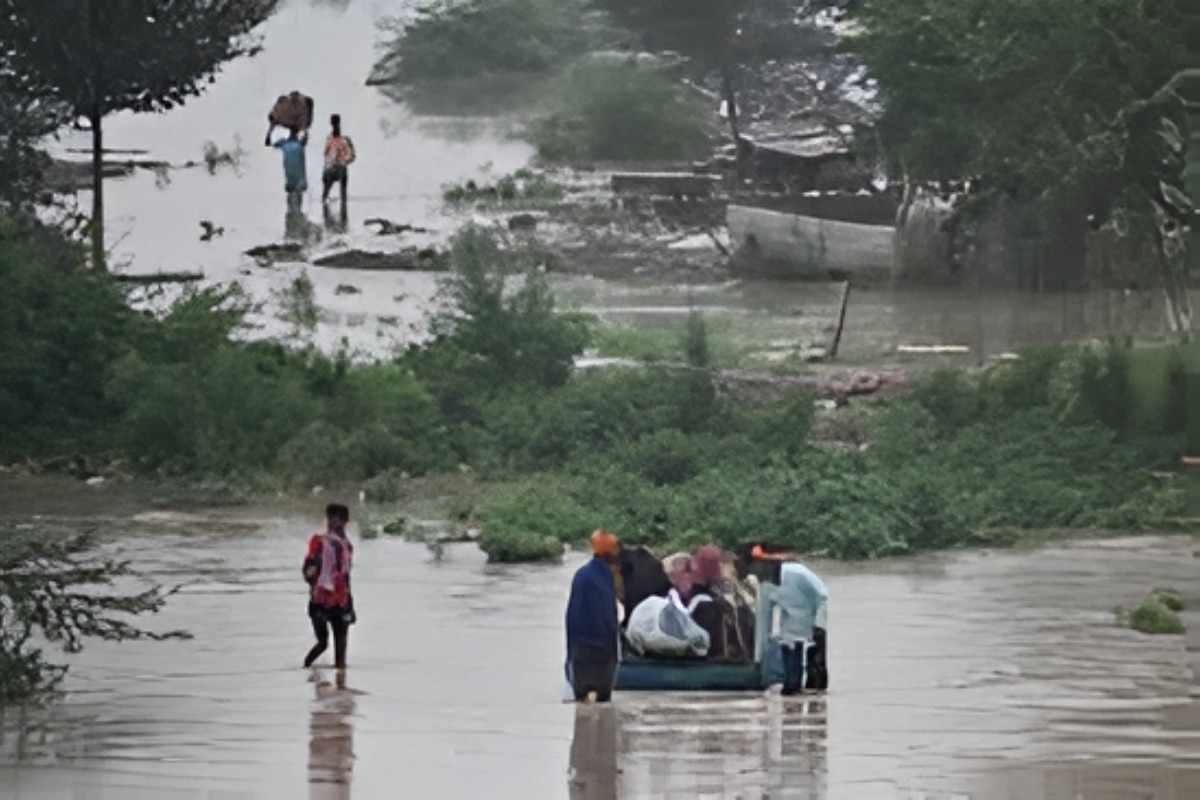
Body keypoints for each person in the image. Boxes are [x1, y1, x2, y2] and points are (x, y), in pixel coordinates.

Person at [565, 530, 621, 702]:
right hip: (603, 647)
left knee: (583, 698)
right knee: (603, 699)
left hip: (580, 645)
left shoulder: (582, 574)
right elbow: (609, 615)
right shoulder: (605, 577)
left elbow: (572, 614)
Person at [303, 503, 355, 669]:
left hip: (340, 602)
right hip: (322, 600)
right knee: (323, 643)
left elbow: (346, 576)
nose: (334, 523)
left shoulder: (346, 546)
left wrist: (350, 604)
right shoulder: (319, 542)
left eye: (338, 519)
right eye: (332, 519)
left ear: (345, 521)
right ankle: (307, 672)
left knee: (340, 653)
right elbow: (308, 571)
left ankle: (339, 686)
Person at [270, 125, 308, 213]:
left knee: (290, 205)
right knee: (298, 204)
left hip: (289, 178)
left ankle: (291, 221)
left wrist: (271, 129)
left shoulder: (284, 143)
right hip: (299, 180)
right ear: (297, 133)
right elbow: (306, 138)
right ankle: (296, 221)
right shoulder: (299, 144)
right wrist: (305, 129)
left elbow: (270, 144)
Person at [322, 114, 356, 203]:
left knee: (325, 194)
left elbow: (325, 154)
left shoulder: (331, 139)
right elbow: (352, 156)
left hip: (332, 168)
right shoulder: (343, 140)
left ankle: (327, 208)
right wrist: (345, 161)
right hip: (338, 168)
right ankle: (343, 212)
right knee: (342, 195)